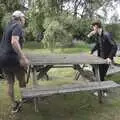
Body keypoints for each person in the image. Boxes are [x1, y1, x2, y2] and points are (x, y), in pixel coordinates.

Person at [0, 10, 29, 113]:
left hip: (2, 59)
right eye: (24, 18)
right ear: (20, 18)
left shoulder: (8, 26)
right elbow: (14, 41)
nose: (24, 20)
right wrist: (23, 58)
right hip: (13, 59)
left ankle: (14, 105)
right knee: (22, 80)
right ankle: (25, 97)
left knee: (10, 83)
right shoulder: (18, 26)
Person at [87, 21, 117, 96]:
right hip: (100, 58)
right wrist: (91, 51)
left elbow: (114, 46)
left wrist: (110, 58)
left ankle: (102, 91)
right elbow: (97, 45)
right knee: (95, 70)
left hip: (106, 59)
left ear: (97, 27)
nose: (93, 29)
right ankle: (102, 90)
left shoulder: (106, 35)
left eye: (93, 27)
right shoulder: (98, 35)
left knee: (101, 74)